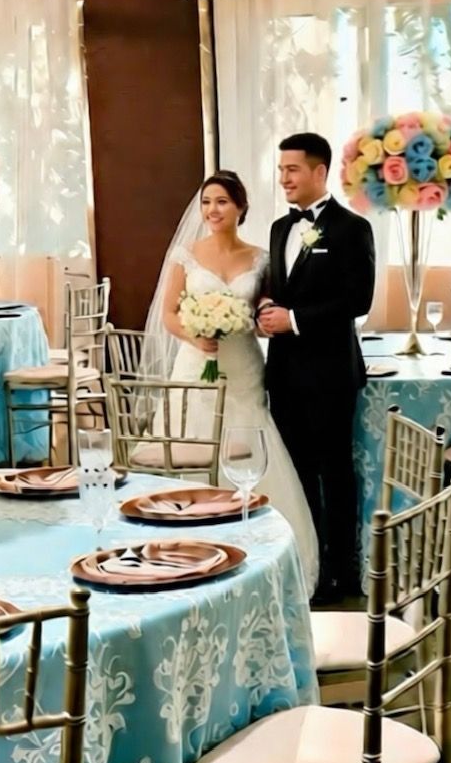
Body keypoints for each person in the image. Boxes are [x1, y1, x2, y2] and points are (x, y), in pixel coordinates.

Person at [149, 170, 320, 592]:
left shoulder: (261, 258)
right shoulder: (185, 255)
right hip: (196, 365)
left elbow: (264, 311)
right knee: (191, 445)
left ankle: (259, 557)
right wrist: (196, 334)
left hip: (243, 365)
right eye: (207, 202)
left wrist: (259, 316)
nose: (212, 210)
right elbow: (170, 312)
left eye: (222, 201)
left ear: (241, 207)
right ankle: (185, 549)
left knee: (250, 445)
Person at [258, 133, 376, 605]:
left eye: (292, 169)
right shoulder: (278, 228)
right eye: (281, 170)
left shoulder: (352, 228)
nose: (284, 177)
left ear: (319, 172)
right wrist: (268, 307)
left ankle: (341, 574)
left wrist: (296, 320)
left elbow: (357, 299)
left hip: (330, 371)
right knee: (297, 471)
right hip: (284, 371)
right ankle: (304, 565)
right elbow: (280, 288)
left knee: (335, 471)